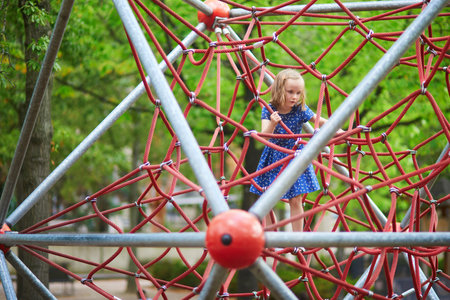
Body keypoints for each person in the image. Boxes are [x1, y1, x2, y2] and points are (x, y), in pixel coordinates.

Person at [250, 69, 342, 232]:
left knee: (296, 199)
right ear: (279, 90)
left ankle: (297, 238)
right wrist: (272, 123)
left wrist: (339, 130)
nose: (294, 96)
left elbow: (318, 120)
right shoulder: (270, 109)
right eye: (290, 92)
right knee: (266, 198)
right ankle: (272, 237)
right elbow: (265, 137)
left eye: (298, 93)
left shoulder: (300, 109)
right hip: (274, 156)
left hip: (294, 156)